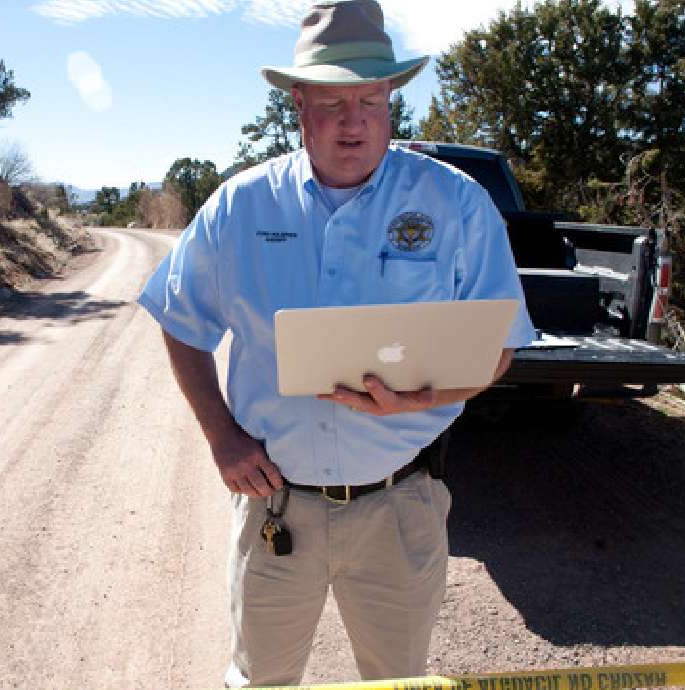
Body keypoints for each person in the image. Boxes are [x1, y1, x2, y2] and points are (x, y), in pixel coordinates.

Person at [137, 1, 536, 685]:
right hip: (277, 508)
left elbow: (499, 348)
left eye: (370, 99)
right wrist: (221, 436)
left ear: (392, 99)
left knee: (398, 680)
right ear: (299, 103)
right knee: (260, 678)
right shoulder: (242, 207)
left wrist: (425, 397)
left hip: (399, 506)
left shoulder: (457, 205)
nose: (353, 120)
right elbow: (180, 318)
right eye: (332, 101)